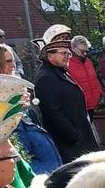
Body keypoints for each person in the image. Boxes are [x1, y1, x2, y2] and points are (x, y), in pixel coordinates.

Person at [0, 43, 62, 175]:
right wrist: (43, 179)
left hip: (48, 172)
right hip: (37, 180)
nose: (13, 66)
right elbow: (18, 156)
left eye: (13, 60)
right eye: (8, 61)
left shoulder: (17, 98)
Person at [33, 24, 98, 162]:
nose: (68, 56)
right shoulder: (46, 77)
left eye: (68, 53)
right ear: (49, 56)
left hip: (78, 140)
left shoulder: (58, 71)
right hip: (70, 145)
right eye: (64, 53)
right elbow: (53, 113)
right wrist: (75, 135)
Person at [67, 35, 103, 122]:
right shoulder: (68, 63)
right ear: (73, 48)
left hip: (91, 103)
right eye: (82, 51)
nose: (85, 54)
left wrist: (100, 93)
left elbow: (94, 79)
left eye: (86, 51)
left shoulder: (88, 61)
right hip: (79, 105)